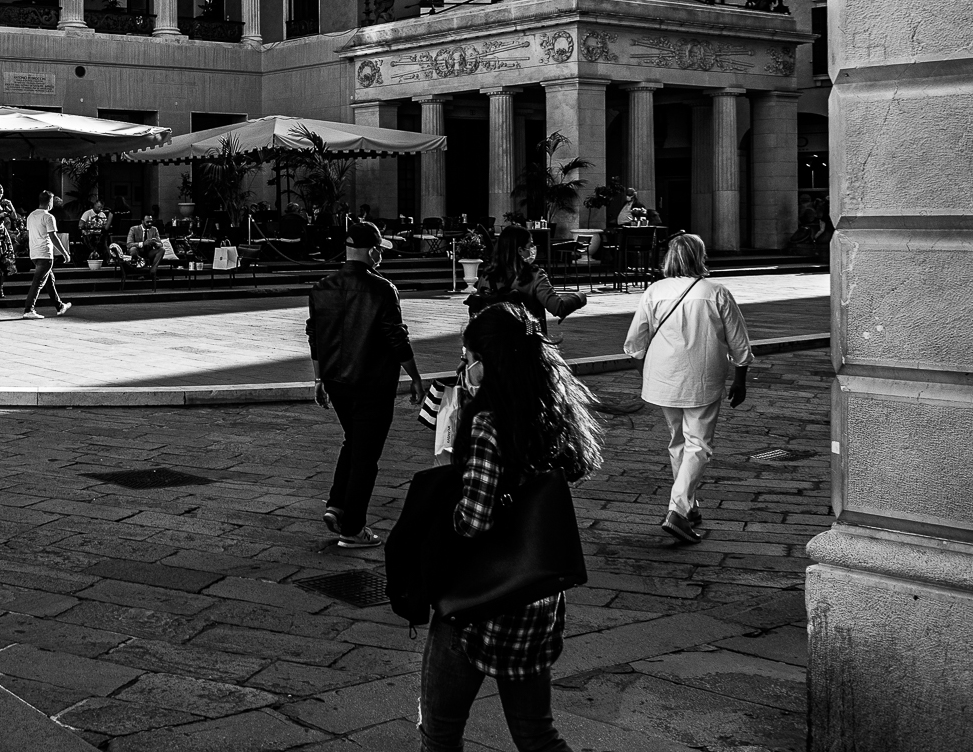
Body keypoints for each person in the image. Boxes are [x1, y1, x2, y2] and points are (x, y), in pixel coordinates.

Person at [421, 302, 605, 752]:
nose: (464, 368)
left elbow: (473, 520)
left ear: (486, 363)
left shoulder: (489, 424)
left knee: (440, 733)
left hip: (479, 603)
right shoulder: (552, 413)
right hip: (535, 597)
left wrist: (447, 471)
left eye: (467, 359)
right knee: (537, 734)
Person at [621, 232, 753, 546]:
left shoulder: (654, 291)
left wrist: (648, 374)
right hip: (702, 377)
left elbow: (634, 344)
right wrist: (741, 378)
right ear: (700, 256)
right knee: (699, 444)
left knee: (678, 441)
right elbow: (739, 341)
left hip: (664, 377)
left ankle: (689, 506)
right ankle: (678, 510)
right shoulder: (716, 292)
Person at [308, 220, 424, 549]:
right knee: (366, 456)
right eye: (379, 250)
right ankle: (353, 528)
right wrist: (414, 376)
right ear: (372, 251)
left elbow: (315, 337)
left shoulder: (321, 287)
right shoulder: (382, 288)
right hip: (372, 382)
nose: (381, 256)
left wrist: (318, 378)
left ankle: (337, 505)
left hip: (335, 380)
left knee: (353, 441)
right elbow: (395, 337)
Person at [470, 225, 583, 332]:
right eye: (531, 245)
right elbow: (558, 308)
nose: (533, 249)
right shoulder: (535, 276)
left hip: (493, 341)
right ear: (520, 250)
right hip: (527, 340)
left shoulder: (487, 275)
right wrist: (579, 297)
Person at [19, 191, 71, 319]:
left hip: (34, 253)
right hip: (45, 253)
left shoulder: (31, 216)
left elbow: (29, 234)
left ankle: (59, 306)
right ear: (50, 202)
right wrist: (65, 253)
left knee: (49, 280)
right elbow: (53, 237)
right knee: (38, 282)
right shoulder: (48, 217)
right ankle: (29, 309)